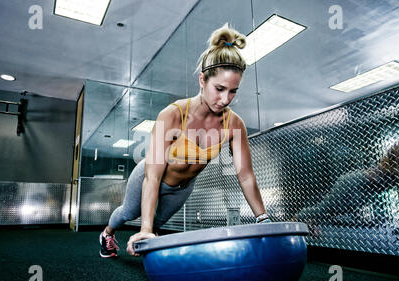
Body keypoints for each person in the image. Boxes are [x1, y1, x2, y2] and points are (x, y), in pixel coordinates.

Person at [99, 24, 271, 258]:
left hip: (182, 188)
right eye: (219, 88)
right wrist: (144, 228)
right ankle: (107, 233)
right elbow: (153, 176)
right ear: (202, 80)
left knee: (157, 225)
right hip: (150, 176)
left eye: (233, 91)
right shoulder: (173, 114)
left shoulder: (234, 124)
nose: (225, 99)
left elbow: (245, 175)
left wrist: (263, 218)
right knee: (129, 213)